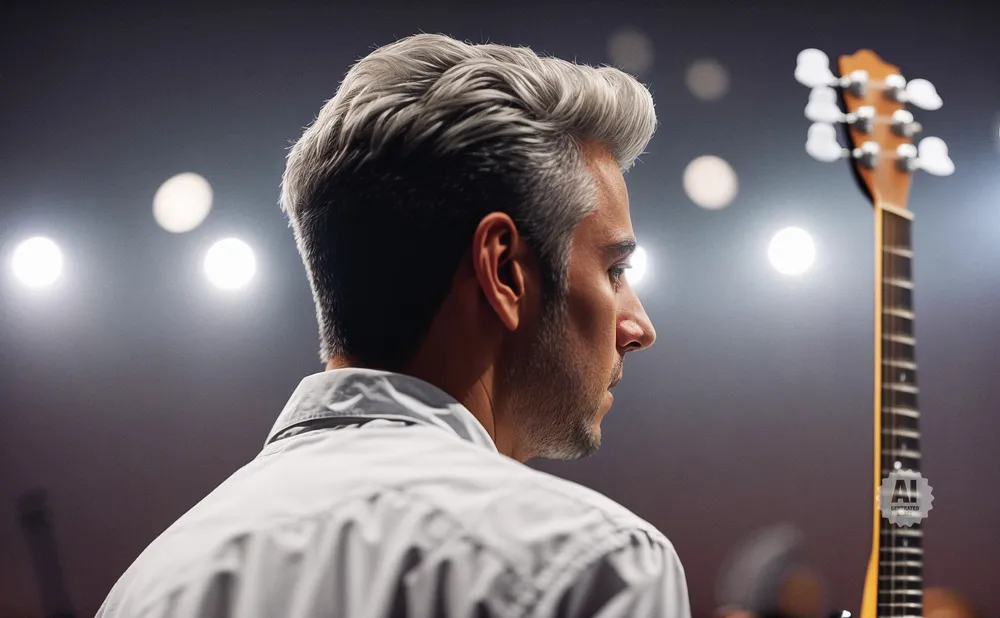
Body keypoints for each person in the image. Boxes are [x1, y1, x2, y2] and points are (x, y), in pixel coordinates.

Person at [97, 33, 689, 617]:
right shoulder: (591, 564)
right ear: (504, 270)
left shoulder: (146, 586)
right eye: (615, 270)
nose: (640, 327)